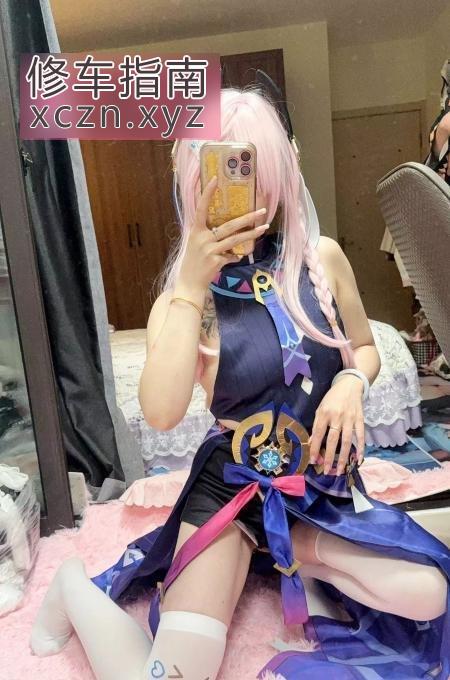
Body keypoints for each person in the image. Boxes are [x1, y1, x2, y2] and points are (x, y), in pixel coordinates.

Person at [30, 87, 450, 680]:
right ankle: (72, 587)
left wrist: (352, 381)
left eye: (253, 170)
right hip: (231, 487)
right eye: (221, 172)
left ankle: (290, 554)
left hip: (318, 484)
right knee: (176, 673)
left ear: (277, 172)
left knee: (427, 593)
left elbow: (363, 346)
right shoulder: (186, 299)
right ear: (193, 181)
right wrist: (189, 285)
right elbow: (161, 412)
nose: (241, 194)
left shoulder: (321, 259)